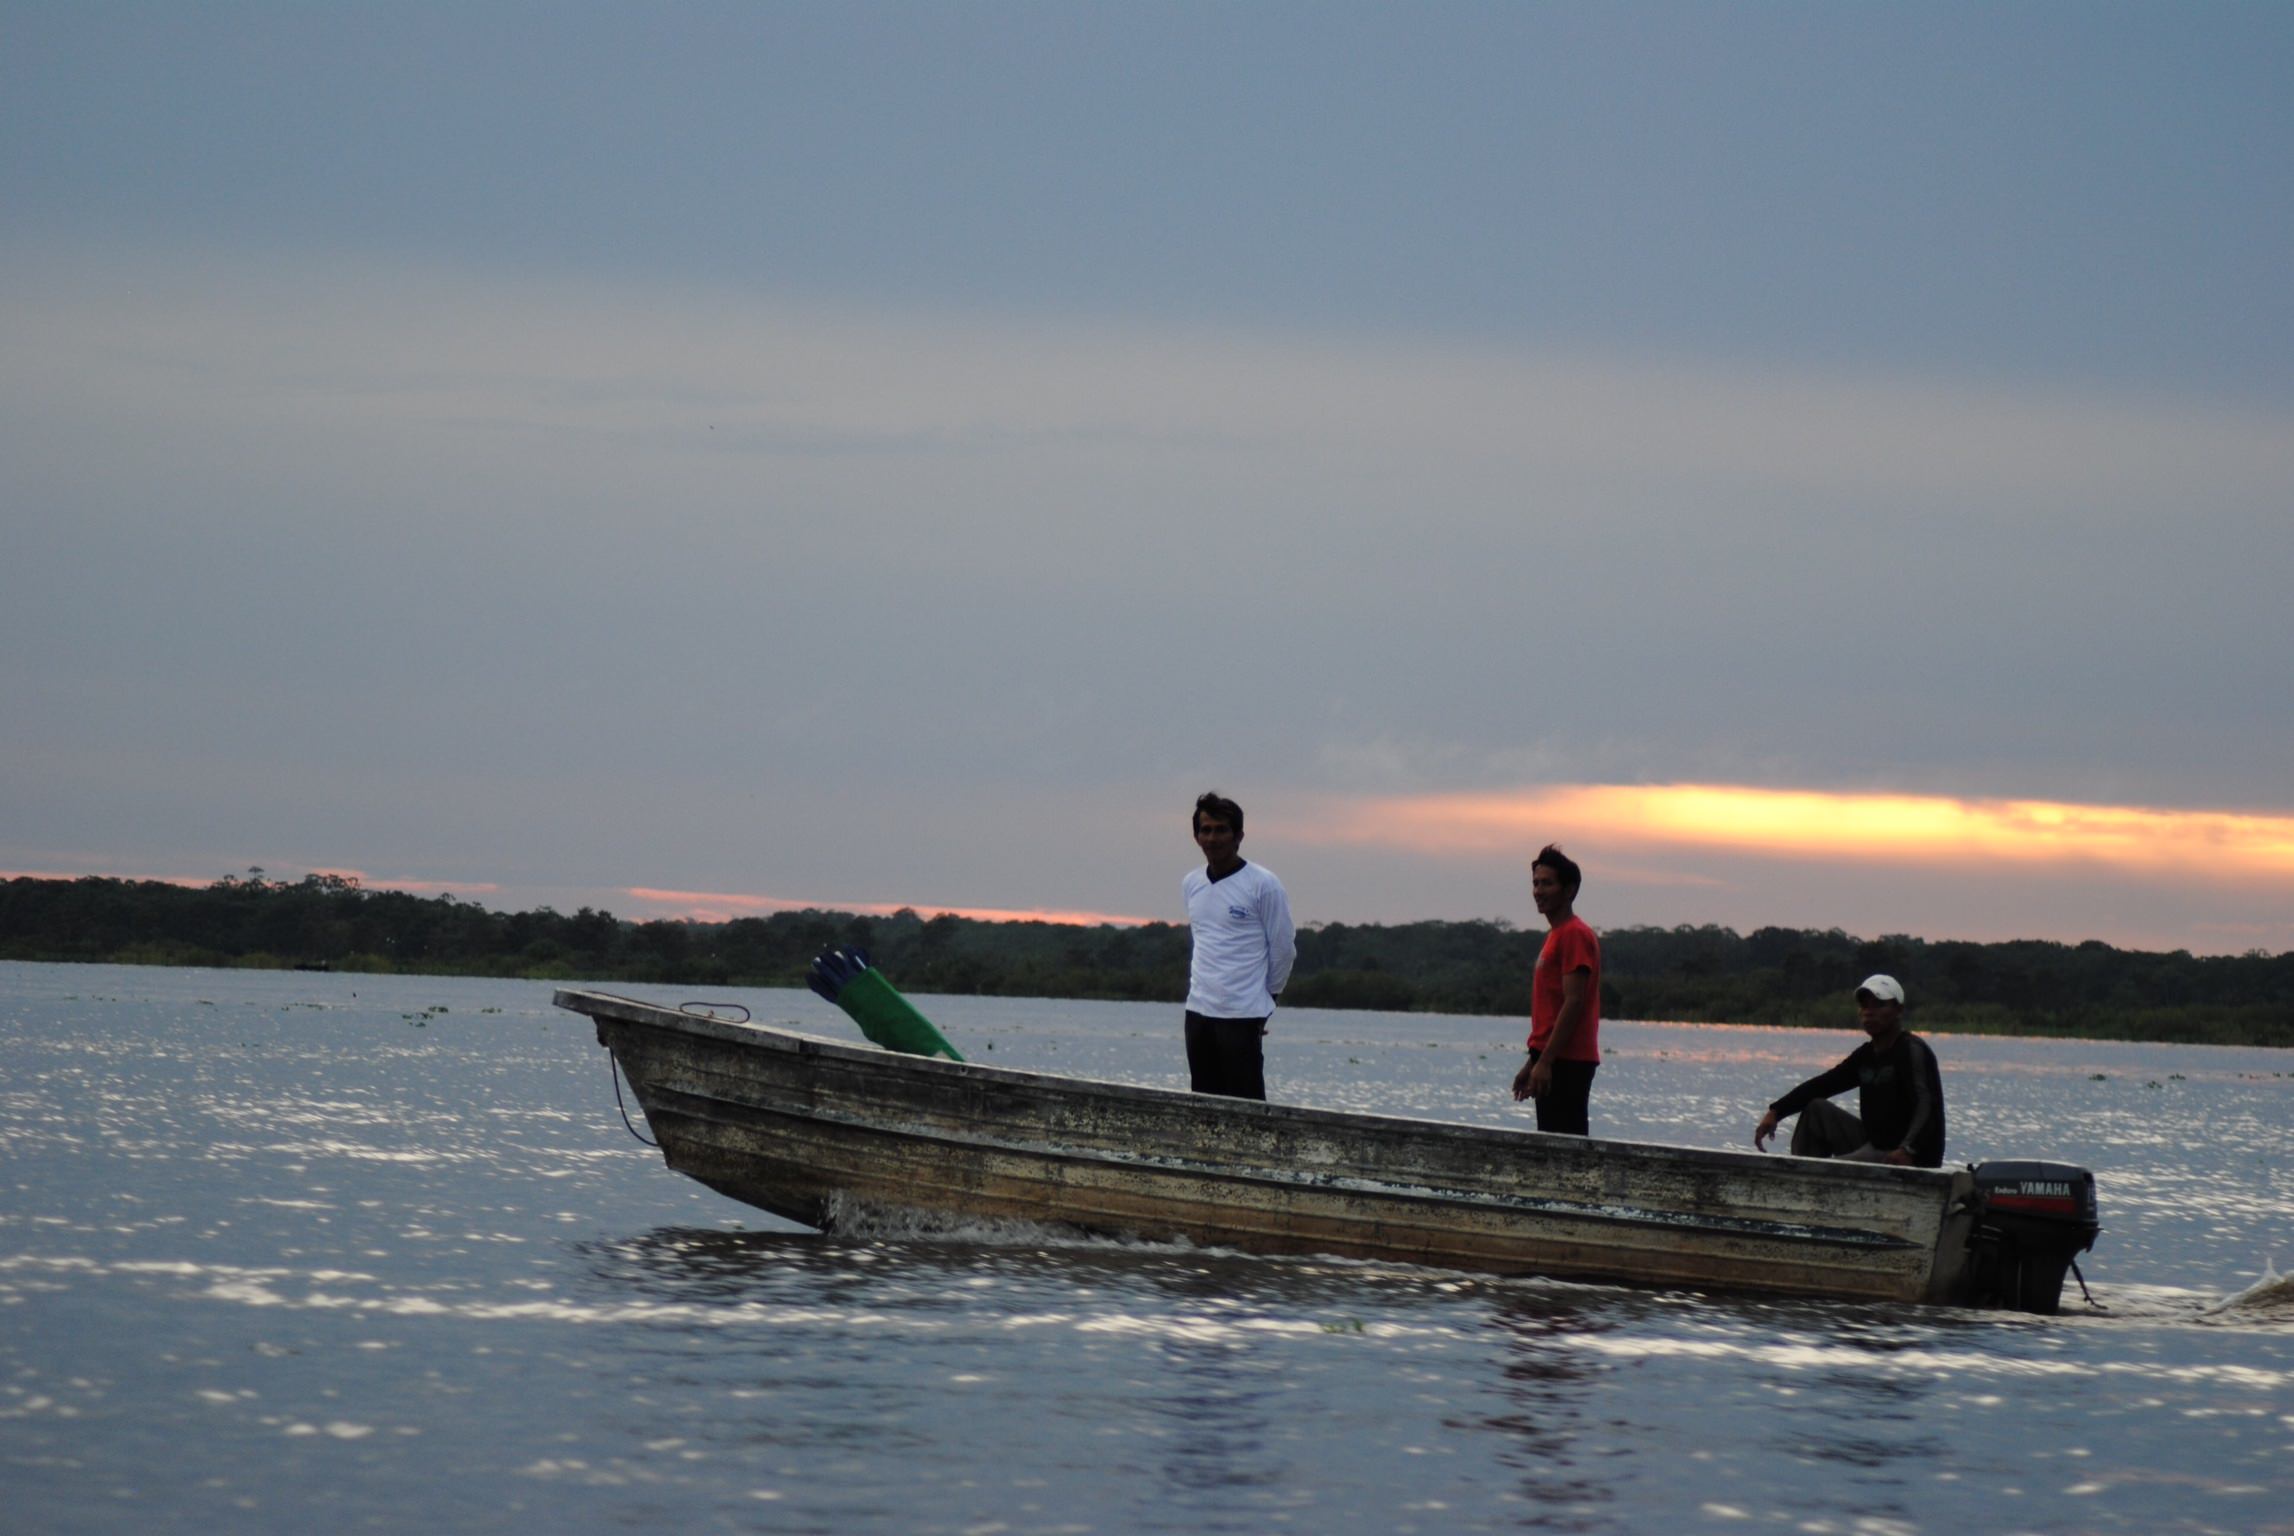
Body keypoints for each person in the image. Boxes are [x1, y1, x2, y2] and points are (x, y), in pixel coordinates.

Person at [1753, 975, 1947, 1167]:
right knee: (1816, 1109)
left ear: (1898, 1010)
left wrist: (1908, 1149)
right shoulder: (1866, 1055)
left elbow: (1926, 1105)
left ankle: (1809, 1177)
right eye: (1865, 1006)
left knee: (1826, 1170)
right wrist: (1777, 1111)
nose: (1869, 1012)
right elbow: (1825, 1084)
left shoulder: (1912, 1050)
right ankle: (1802, 1178)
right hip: (1875, 1145)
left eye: (1879, 1005)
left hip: (1909, 1158)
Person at [1181, 791, 1295, 1100]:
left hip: (1242, 1015)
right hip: (1198, 1013)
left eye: (1221, 830)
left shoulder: (1264, 885)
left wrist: (1266, 1001)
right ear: (1196, 836)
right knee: (1204, 1105)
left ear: (1238, 835)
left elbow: (1283, 949)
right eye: (1206, 830)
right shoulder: (1192, 884)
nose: (1213, 838)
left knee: (1246, 1107)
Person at [1509, 845, 1601, 1135]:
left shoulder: (1574, 934)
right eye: (1535, 883)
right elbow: (1552, 1010)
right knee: (1551, 1149)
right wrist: (1533, 1062)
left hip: (1568, 1061)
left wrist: (1546, 1061)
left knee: (1566, 1152)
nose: (1538, 890)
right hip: (1552, 1058)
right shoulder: (1556, 935)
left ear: (1569, 890)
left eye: (1547, 883)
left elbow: (1574, 1003)